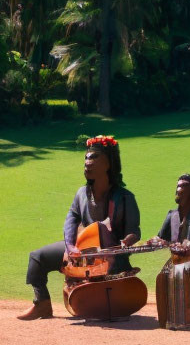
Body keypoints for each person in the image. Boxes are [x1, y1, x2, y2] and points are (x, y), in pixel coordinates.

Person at [18, 135, 140, 320]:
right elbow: (70, 221)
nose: (87, 162)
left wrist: (124, 243)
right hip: (80, 251)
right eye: (86, 158)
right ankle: (41, 304)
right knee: (37, 257)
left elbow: (134, 231)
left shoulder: (125, 197)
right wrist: (70, 247)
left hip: (110, 257)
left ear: (109, 164)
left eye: (94, 157)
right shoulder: (81, 194)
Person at [148, 174, 190, 256]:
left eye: (182, 186)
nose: (178, 189)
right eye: (178, 186)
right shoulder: (172, 215)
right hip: (177, 262)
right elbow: (160, 238)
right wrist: (156, 241)